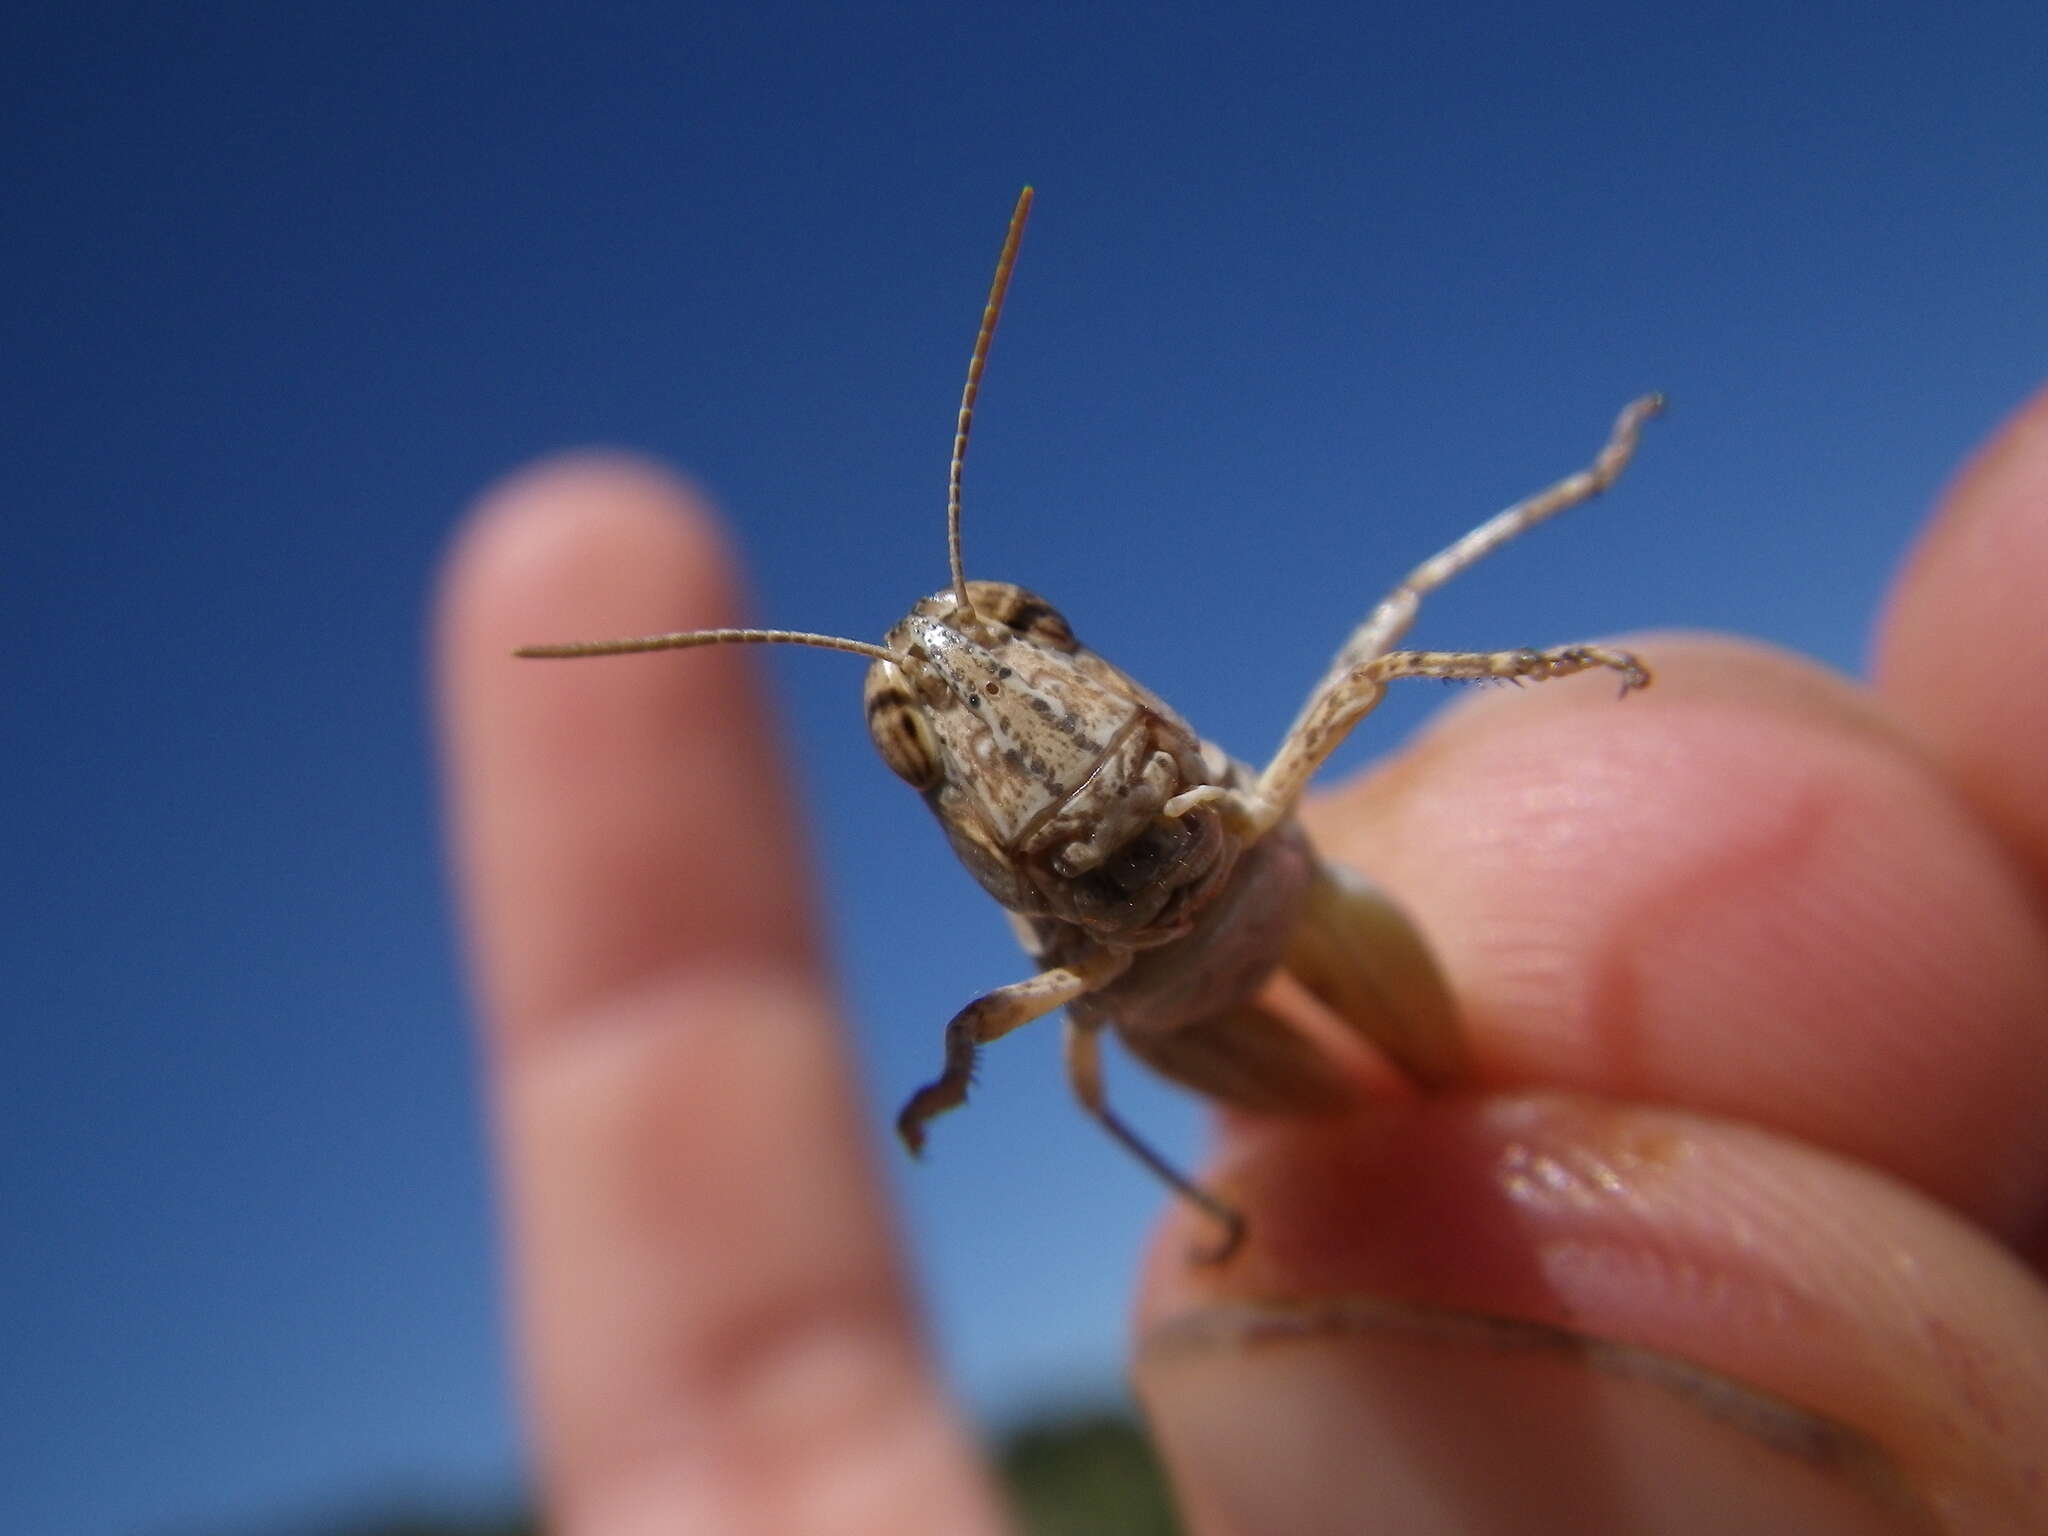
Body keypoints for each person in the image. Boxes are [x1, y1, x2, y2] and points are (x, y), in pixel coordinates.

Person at [435, 387, 2048, 1533]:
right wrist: (951, 1073)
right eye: (918, 727)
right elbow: (1006, 1018)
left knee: (1401, 642)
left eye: (1020, 630)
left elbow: (1394, 649)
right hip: (1152, 1008)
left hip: (1290, 887)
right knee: (1142, 1105)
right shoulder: (1006, 872)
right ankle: (1251, 1221)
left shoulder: (1111, 708)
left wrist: (1539, 643)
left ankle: (1581, 485)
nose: (982, 688)